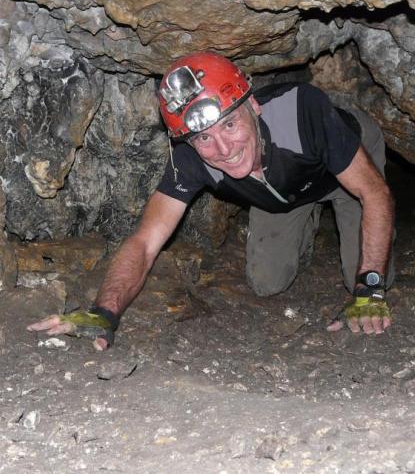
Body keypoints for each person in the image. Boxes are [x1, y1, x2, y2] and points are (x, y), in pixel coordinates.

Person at [28, 51, 395, 351]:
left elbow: (374, 192)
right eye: (203, 138)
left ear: (254, 106)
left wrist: (370, 287)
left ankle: (336, 227)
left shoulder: (302, 111)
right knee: (267, 282)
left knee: (363, 284)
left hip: (346, 172)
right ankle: (305, 215)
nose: (223, 150)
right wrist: (103, 312)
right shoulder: (188, 158)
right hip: (283, 190)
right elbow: (145, 241)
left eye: (230, 126)